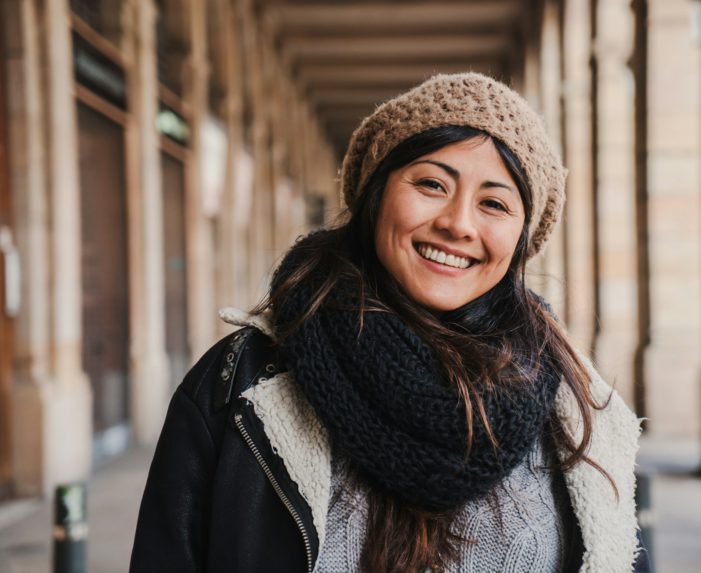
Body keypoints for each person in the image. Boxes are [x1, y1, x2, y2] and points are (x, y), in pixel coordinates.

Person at [130, 73, 651, 573]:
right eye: (431, 184)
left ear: (520, 240)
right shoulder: (240, 385)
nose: (458, 224)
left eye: (494, 203)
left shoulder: (577, 402)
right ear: (376, 197)